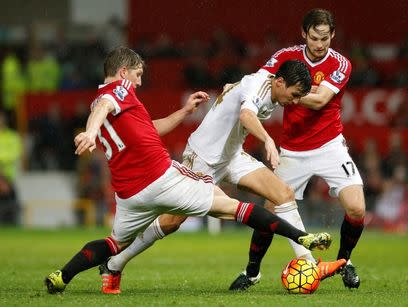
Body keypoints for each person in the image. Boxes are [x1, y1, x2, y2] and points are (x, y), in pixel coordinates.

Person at [44, 46, 332, 294]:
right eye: (139, 74)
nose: (294, 102)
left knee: (282, 193)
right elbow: (246, 115)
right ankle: (117, 262)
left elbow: (143, 126)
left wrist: (183, 112)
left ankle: (301, 265)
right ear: (123, 72)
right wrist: (269, 140)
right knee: (172, 222)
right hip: (203, 156)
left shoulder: (275, 89)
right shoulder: (117, 90)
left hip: (230, 156)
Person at [228, 8, 366, 290]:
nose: (320, 44)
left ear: (333, 36)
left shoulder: (340, 63)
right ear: (304, 34)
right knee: (269, 210)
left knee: (357, 209)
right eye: (315, 38)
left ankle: (343, 262)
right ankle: (252, 272)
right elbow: (260, 80)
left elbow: (320, 100)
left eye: (325, 38)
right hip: (292, 149)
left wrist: (284, 90)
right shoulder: (285, 56)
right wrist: (243, 87)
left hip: (330, 146)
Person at [0, 111, 22, 225]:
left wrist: (2, 163)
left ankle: (12, 223)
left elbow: (15, 153)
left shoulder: (13, 136)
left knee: (10, 202)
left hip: (8, 176)